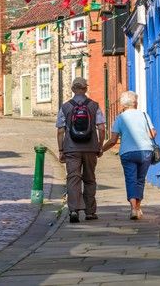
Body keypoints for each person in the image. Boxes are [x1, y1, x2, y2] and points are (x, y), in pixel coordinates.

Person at [56, 77, 106, 223]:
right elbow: (101, 128)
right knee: (90, 179)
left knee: (73, 179)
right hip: (91, 148)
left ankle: (73, 211)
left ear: (72, 89)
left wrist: (61, 150)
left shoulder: (65, 107)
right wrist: (100, 145)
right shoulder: (94, 106)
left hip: (71, 149)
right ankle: (90, 212)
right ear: (86, 89)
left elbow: (60, 131)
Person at [103, 90, 156, 220]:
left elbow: (113, 140)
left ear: (123, 105)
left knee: (131, 179)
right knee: (140, 179)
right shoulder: (144, 115)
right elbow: (152, 134)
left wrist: (101, 150)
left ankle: (133, 209)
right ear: (135, 102)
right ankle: (138, 207)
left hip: (127, 153)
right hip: (145, 151)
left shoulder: (120, 118)